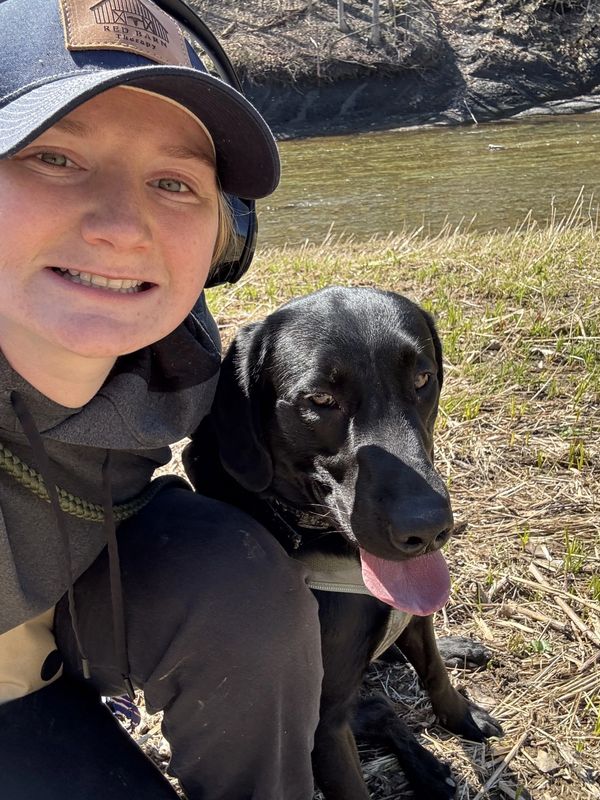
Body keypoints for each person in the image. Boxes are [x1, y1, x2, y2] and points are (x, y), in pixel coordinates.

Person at [0, 1, 323, 798]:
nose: (122, 226)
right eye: (54, 158)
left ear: (225, 238)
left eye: (174, 182)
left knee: (236, 585)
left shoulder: (178, 358)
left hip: (71, 588)